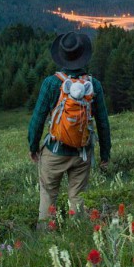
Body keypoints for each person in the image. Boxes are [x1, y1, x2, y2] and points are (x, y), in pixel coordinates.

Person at [28, 31, 111, 228]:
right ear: (84, 55)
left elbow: (38, 119)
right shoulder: (93, 85)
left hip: (55, 151)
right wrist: (105, 153)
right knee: (78, 198)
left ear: (62, 56)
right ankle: (77, 234)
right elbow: (103, 122)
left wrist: (33, 146)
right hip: (82, 154)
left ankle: (46, 236)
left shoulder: (51, 83)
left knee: (48, 195)